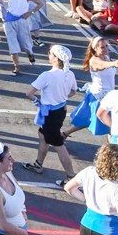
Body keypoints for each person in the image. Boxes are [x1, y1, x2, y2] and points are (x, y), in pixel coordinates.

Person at [21, 45, 78, 182]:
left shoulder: (47, 75)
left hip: (49, 114)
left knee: (58, 144)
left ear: (56, 58)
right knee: (42, 135)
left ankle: (71, 176)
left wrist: (37, 101)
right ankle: (38, 164)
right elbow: (73, 91)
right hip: (60, 110)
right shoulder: (69, 74)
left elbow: (28, 93)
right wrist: (62, 96)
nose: (48, 55)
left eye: (50, 53)